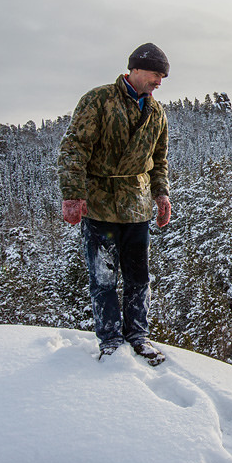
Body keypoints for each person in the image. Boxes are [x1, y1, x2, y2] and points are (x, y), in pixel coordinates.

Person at [57, 42, 173, 365]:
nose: (158, 82)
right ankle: (110, 340)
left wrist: (161, 194)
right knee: (104, 278)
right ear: (135, 69)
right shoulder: (98, 101)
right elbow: (73, 149)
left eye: (162, 77)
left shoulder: (157, 113)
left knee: (139, 277)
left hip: (137, 207)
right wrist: (72, 193)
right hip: (100, 206)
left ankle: (138, 336)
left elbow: (159, 160)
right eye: (155, 74)